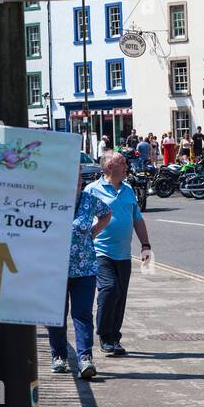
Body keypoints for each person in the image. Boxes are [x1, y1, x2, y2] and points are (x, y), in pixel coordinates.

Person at [46, 167, 113, 378]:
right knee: (56, 315)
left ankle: (85, 359)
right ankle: (59, 356)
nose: (75, 182)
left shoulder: (88, 200)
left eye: (77, 178)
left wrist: (93, 232)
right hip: (54, 268)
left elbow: (106, 214)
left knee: (82, 314)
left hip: (84, 268)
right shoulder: (51, 201)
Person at [86, 152, 153, 356]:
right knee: (109, 289)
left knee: (120, 296)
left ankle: (114, 337)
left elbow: (137, 219)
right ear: (108, 168)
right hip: (100, 251)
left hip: (123, 254)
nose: (126, 166)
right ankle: (105, 335)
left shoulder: (128, 190)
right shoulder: (92, 190)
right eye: (121, 163)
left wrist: (145, 244)